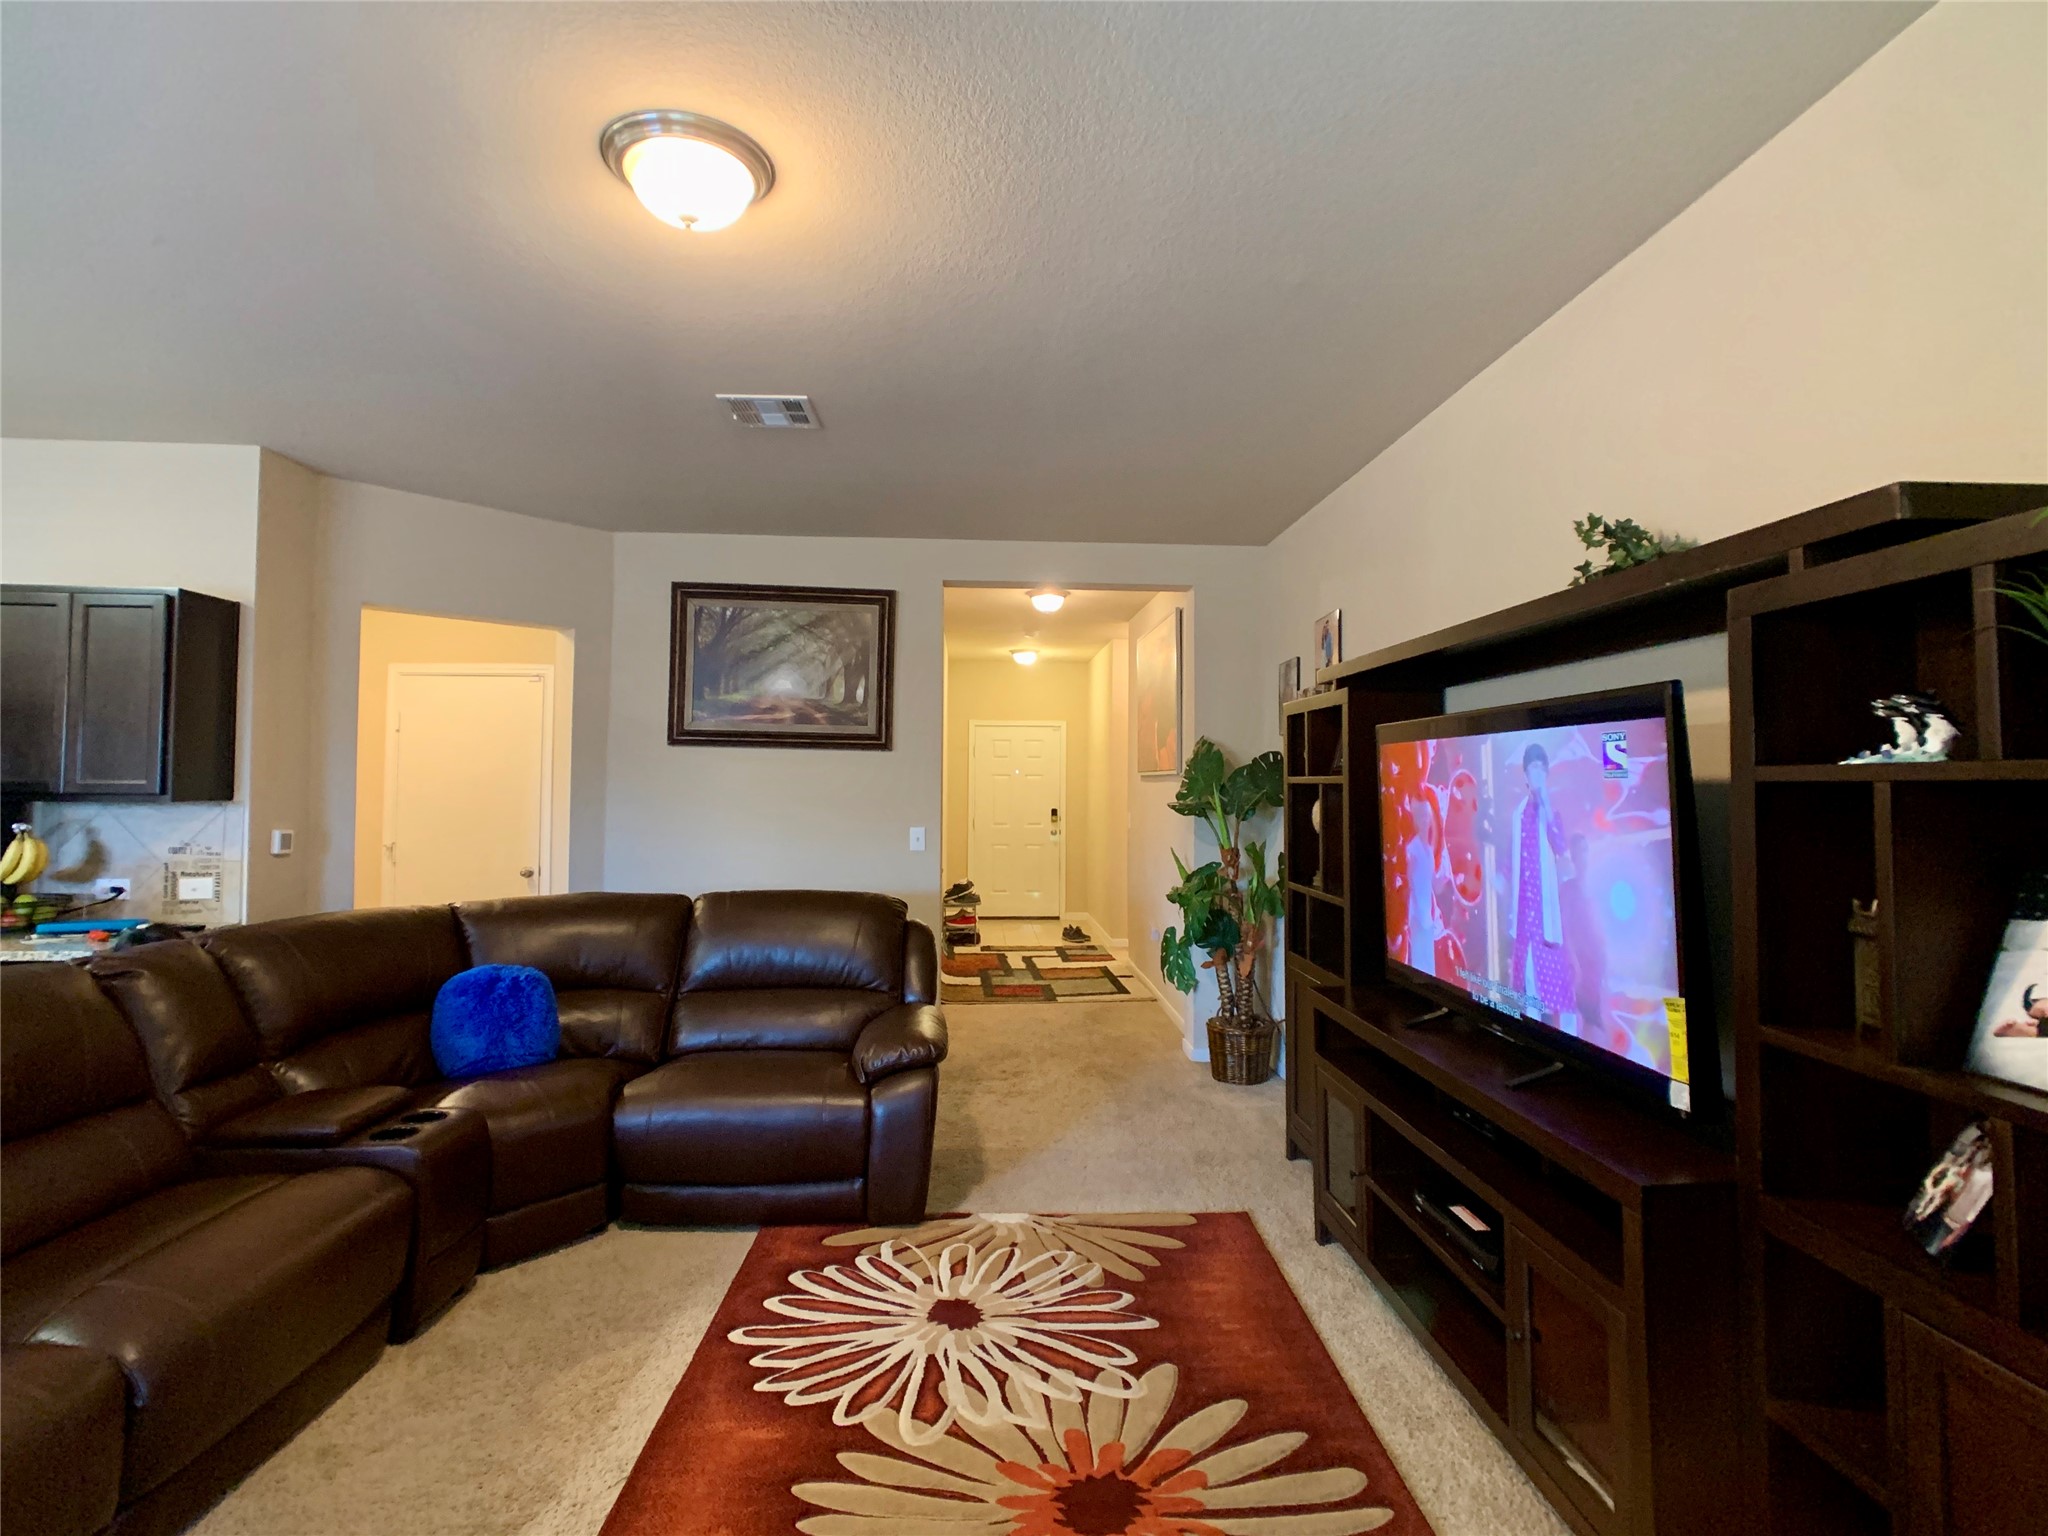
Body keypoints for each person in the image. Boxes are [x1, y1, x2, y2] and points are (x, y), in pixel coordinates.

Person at [1508, 742, 1577, 1029]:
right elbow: (1512, 863)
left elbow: (1560, 847)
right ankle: (1529, 1041)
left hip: (1545, 914)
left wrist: (1546, 802)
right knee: (1526, 983)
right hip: (1525, 914)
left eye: (1540, 767)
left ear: (1546, 773)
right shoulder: (1517, 814)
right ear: (1524, 774)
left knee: (1554, 983)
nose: (1535, 773)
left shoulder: (1551, 812)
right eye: (1531, 767)